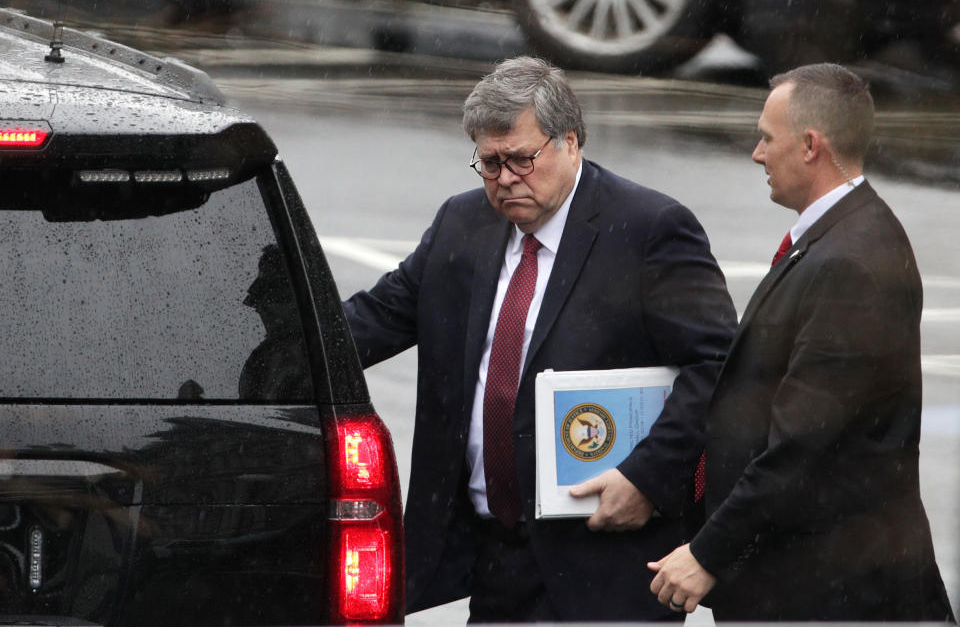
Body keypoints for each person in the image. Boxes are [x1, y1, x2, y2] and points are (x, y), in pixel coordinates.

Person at [343, 56, 736, 622]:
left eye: (521, 160)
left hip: (604, 565)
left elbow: (719, 364)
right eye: (489, 163)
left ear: (569, 141)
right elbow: (375, 317)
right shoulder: (462, 223)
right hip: (492, 555)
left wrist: (647, 476)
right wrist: (266, 354)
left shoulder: (648, 229)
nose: (504, 179)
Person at [648, 63, 955, 621]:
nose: (756, 153)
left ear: (811, 145)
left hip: (830, 590)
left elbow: (803, 443)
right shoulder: (839, 237)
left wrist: (708, 553)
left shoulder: (851, 262)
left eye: (767, 138)